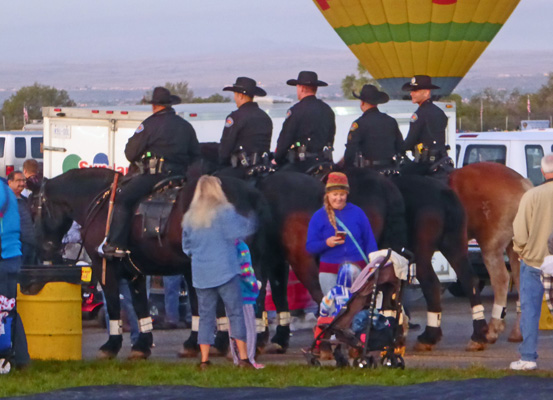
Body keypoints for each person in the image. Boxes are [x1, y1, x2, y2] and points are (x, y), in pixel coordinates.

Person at [102, 86, 201, 258]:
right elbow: (196, 155)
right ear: (170, 104)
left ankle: (116, 244)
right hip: (180, 177)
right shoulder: (185, 126)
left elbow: (130, 154)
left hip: (155, 177)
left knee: (123, 198)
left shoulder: (150, 124)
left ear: (154, 106)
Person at [181, 175, 256, 370]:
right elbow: (240, 232)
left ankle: (204, 360)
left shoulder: (190, 217)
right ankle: (244, 358)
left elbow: (186, 247)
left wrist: (199, 255)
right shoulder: (226, 212)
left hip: (201, 274)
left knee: (205, 317)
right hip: (226, 271)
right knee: (235, 314)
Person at [510, 153, 553, 370]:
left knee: (530, 311)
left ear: (543, 172)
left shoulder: (532, 195)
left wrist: (522, 251)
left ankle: (528, 357)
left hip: (535, 261)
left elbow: (519, 231)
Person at [306, 172, 378, 295]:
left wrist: (374, 266)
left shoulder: (357, 212)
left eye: (342, 194)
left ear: (347, 194)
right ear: (327, 194)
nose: (338, 198)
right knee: (334, 310)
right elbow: (310, 247)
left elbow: (369, 241)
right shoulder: (318, 216)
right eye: (335, 194)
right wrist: (326, 243)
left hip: (358, 270)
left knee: (357, 311)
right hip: (329, 271)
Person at [275, 71, 335, 171]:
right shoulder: (327, 110)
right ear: (315, 89)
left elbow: (285, 140)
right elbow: (330, 138)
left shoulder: (296, 111)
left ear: (301, 88)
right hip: (324, 164)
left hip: (300, 166)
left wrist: (278, 159)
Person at [0, 177, 30, 369]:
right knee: (8, 309)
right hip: (10, 256)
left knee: (5, 310)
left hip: (4, 257)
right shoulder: (6, 190)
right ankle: (20, 359)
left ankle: (12, 358)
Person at [400, 75, 453, 181]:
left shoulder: (419, 114)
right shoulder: (440, 112)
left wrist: (397, 149)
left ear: (426, 92)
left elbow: (410, 141)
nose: (411, 93)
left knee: (400, 178)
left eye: (415, 90)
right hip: (442, 160)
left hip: (425, 164)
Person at [218, 77, 272, 178]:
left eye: (235, 95)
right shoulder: (265, 117)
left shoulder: (236, 117)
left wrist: (222, 162)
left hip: (241, 170)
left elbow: (226, 147)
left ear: (241, 96)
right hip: (264, 167)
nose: (235, 98)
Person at [344, 85, 404, 172]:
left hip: (369, 173)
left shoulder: (359, 124)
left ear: (362, 102)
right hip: (391, 170)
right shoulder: (391, 121)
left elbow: (351, 151)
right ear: (377, 102)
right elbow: (400, 147)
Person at [228, 240, 263, 369]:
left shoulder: (224, 246)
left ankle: (237, 359)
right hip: (245, 295)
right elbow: (246, 271)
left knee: (233, 328)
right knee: (248, 329)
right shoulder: (242, 247)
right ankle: (249, 359)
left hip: (230, 294)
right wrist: (254, 286)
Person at [313, 263, 359, 349]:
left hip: (336, 319)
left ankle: (318, 345)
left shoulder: (335, 291)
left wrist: (323, 315)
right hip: (353, 319)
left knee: (320, 321)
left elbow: (325, 305)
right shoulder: (357, 292)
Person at [7, 171, 38, 265]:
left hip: (31, 245)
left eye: (23, 181)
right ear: (9, 182)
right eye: (18, 180)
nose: (22, 183)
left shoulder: (26, 200)